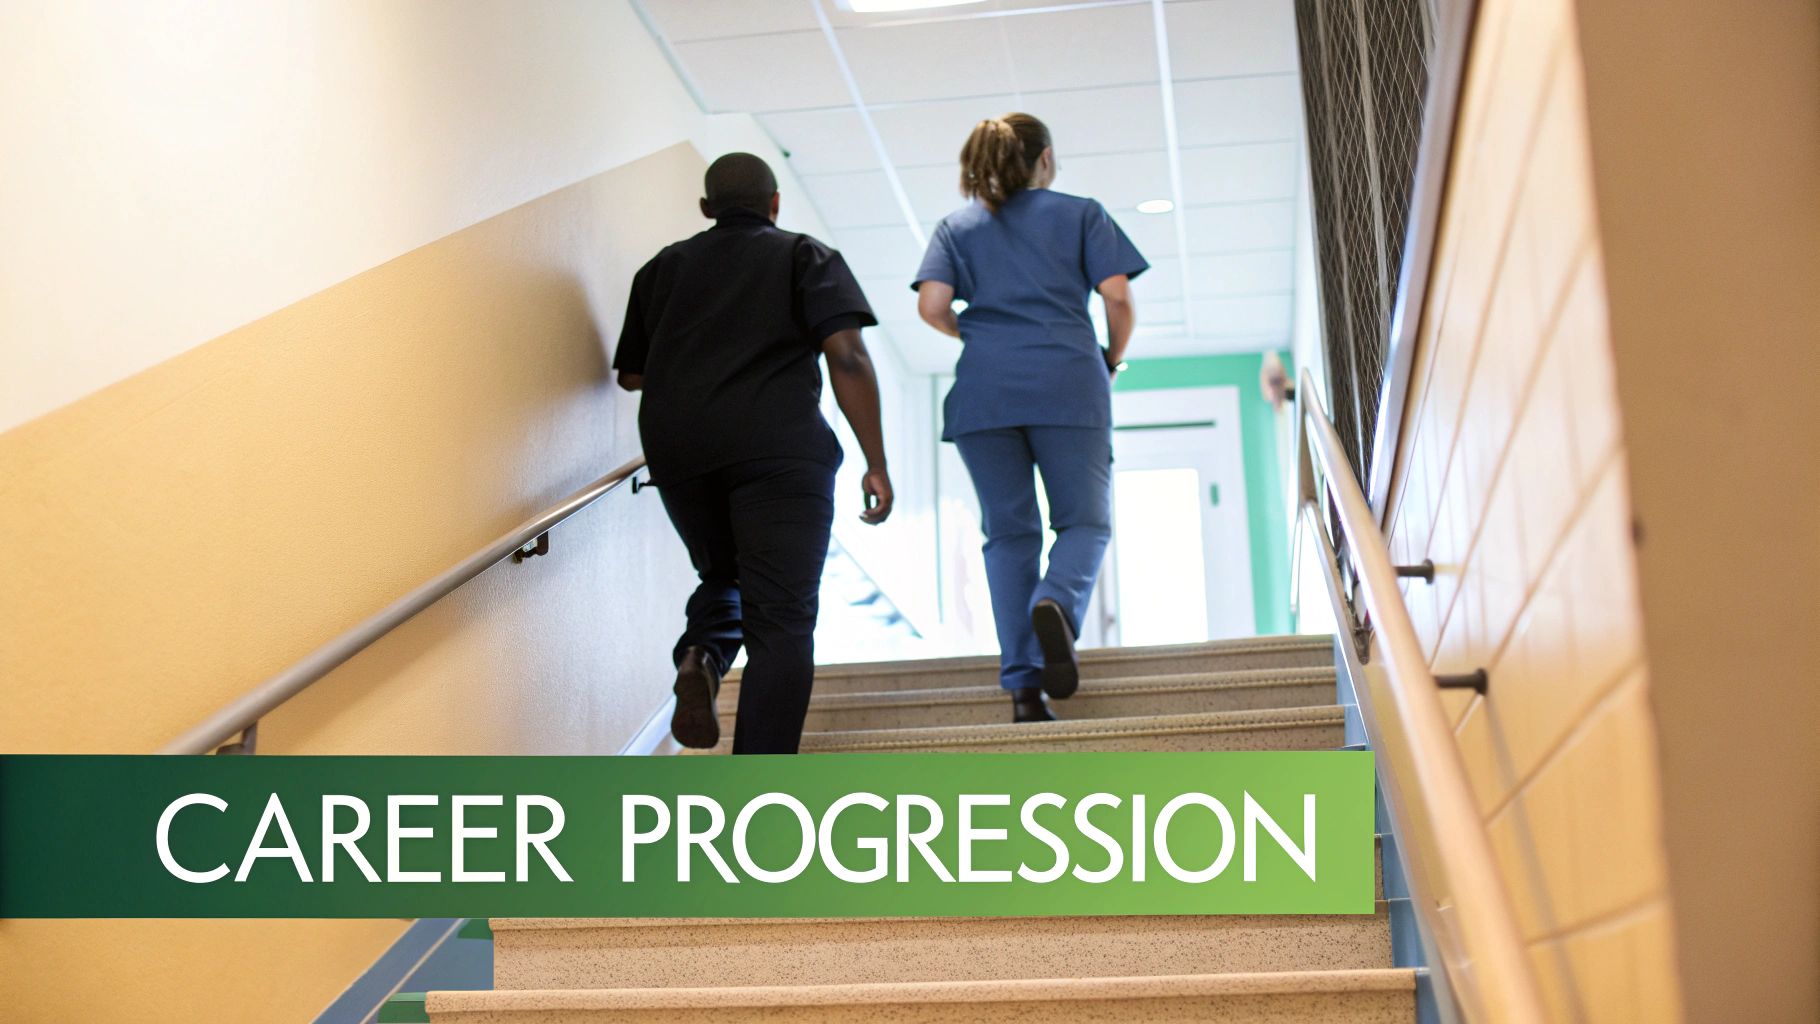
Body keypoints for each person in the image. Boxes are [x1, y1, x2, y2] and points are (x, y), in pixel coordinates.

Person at [614, 152, 893, 754]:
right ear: (774, 204)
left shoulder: (661, 268)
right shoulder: (802, 254)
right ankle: (759, 788)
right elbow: (846, 354)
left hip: (681, 452)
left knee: (724, 573)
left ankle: (704, 655)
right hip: (779, 448)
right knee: (783, 619)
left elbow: (632, 376)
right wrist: (876, 460)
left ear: (706, 209)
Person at [912, 113, 1147, 724]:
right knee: (1085, 524)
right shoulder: (1081, 214)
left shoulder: (955, 227)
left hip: (984, 394)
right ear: (1044, 159)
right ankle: (1057, 604)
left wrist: (980, 333)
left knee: (1010, 535)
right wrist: (1111, 358)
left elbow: (931, 305)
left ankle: (1023, 689)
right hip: (1068, 381)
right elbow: (1118, 299)